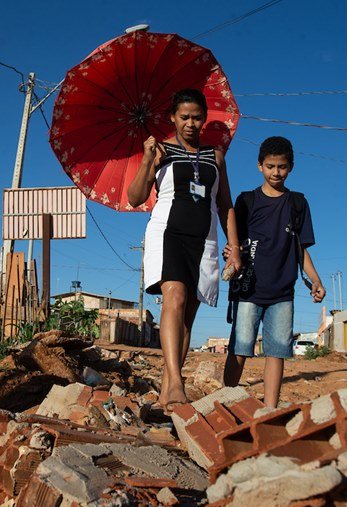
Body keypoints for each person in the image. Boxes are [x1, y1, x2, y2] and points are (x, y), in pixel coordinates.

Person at [127, 89, 242, 410]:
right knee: (174, 297)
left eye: (197, 117)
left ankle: (167, 394)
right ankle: (177, 383)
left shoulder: (215, 156)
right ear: (172, 118)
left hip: (204, 241)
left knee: (188, 317)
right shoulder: (161, 151)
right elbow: (135, 197)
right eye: (184, 117)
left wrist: (235, 246)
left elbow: (224, 204)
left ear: (204, 118)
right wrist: (148, 158)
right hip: (168, 234)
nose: (191, 123)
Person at [223, 136, 325, 409]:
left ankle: (269, 410)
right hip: (248, 290)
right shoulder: (246, 201)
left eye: (281, 167)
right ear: (259, 166)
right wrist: (231, 254)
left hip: (283, 293)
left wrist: (315, 279)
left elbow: (301, 249)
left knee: (276, 352)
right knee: (240, 347)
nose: (276, 172)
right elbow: (234, 243)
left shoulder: (298, 203)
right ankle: (224, 401)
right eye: (270, 166)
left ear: (290, 167)